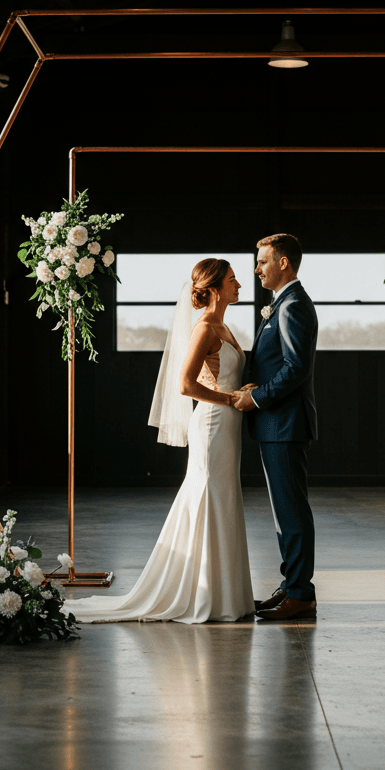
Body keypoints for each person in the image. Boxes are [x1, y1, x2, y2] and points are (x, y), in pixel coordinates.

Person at [66, 258, 254, 624]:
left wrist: (240, 389)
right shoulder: (205, 328)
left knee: (223, 498)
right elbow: (186, 385)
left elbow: (223, 375)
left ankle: (224, 595)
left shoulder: (223, 325)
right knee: (208, 498)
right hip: (214, 423)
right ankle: (202, 594)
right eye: (233, 280)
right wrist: (230, 398)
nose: (240, 286)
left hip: (228, 424)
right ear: (214, 287)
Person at [231, 233, 319, 622]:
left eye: (262, 261)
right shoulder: (281, 304)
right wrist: (256, 384)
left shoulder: (293, 304)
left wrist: (258, 397)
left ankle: (301, 594)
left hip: (284, 423)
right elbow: (275, 363)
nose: (256, 268)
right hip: (276, 425)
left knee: (292, 511)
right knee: (284, 511)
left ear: (283, 262)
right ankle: (290, 585)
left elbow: (296, 368)